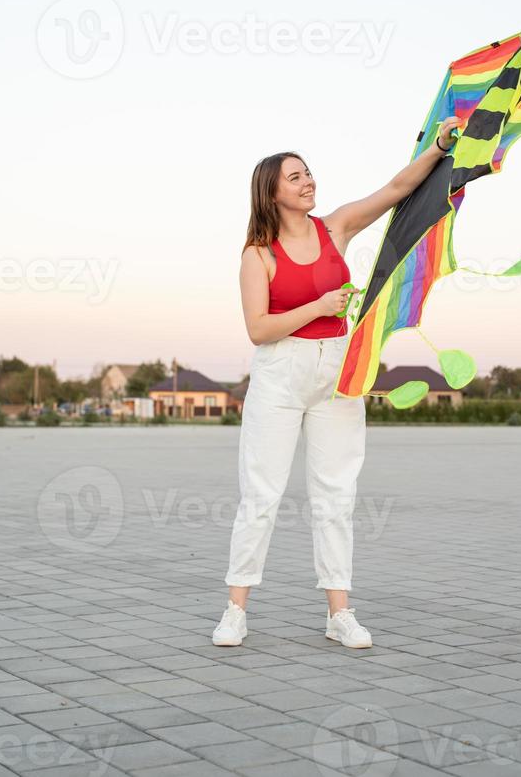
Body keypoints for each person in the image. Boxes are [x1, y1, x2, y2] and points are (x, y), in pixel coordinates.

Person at [212, 119, 459, 648]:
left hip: (337, 371)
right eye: (295, 177)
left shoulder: (336, 228)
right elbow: (258, 328)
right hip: (280, 374)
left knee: (335, 495)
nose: (308, 182)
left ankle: (338, 613)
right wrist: (317, 307)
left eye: (308, 174)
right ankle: (235, 610)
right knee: (261, 494)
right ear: (271, 192)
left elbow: (396, 189)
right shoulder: (258, 254)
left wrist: (439, 147)